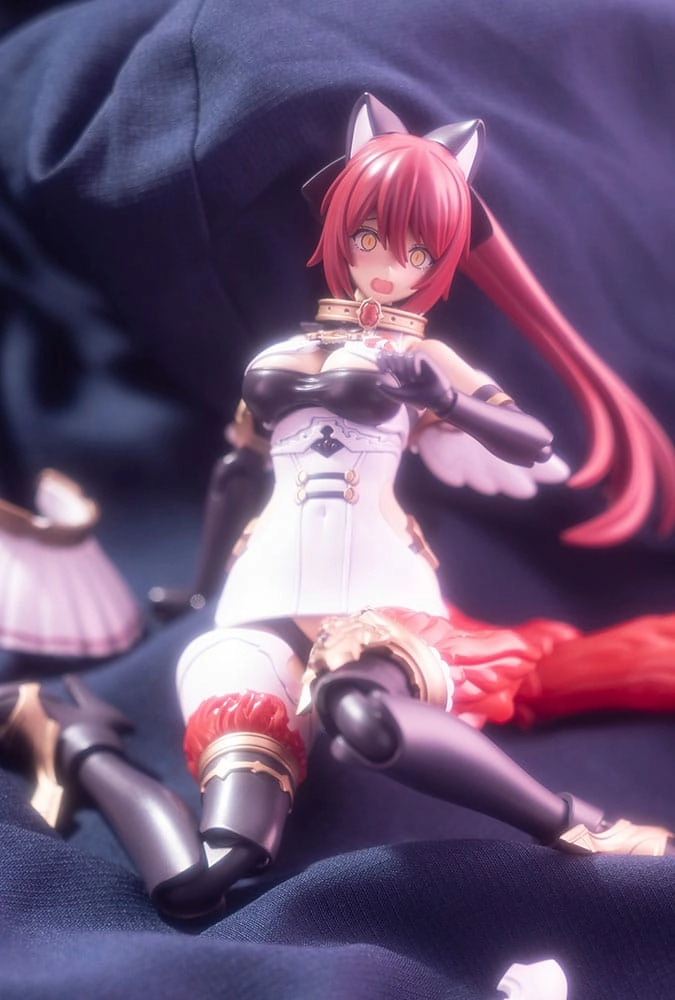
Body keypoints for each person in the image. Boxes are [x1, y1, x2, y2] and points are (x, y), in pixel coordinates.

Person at [3, 94, 675, 921]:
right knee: (200, 881)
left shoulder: (426, 358)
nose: (388, 267)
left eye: (417, 251)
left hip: (374, 596)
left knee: (360, 714)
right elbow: (237, 470)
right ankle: (77, 739)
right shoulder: (284, 352)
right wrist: (198, 585)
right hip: (261, 596)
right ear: (340, 231)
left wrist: (447, 403)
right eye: (369, 238)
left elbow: (532, 442)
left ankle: (579, 825)